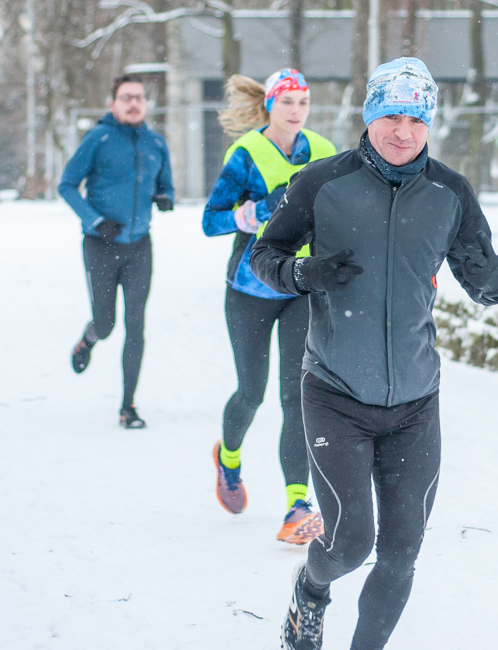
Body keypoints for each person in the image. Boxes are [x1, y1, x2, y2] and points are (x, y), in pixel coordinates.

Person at [250, 57, 498, 650]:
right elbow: (263, 257)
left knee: (401, 555)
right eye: (391, 115)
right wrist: (304, 272)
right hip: (336, 394)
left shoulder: (450, 192)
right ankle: (312, 589)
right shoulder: (323, 182)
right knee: (349, 545)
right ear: (370, 116)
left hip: (416, 404)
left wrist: (497, 281)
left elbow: (484, 277)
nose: (403, 131)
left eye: (416, 118)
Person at [202, 68, 336, 545]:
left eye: (302, 102)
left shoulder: (323, 152)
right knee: (252, 393)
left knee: (295, 397)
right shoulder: (247, 154)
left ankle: (297, 507)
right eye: (287, 103)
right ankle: (229, 457)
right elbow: (210, 220)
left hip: (300, 287)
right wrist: (260, 210)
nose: (296, 111)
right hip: (250, 290)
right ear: (270, 106)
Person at [59, 75, 174, 429]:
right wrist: (95, 221)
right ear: (112, 104)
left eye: (139, 97)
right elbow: (66, 185)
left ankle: (129, 406)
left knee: (135, 325)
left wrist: (165, 197)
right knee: (107, 323)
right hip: (100, 246)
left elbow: (166, 184)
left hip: (140, 246)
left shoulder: (156, 143)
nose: (133, 103)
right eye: (126, 98)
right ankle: (88, 339)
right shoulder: (98, 138)